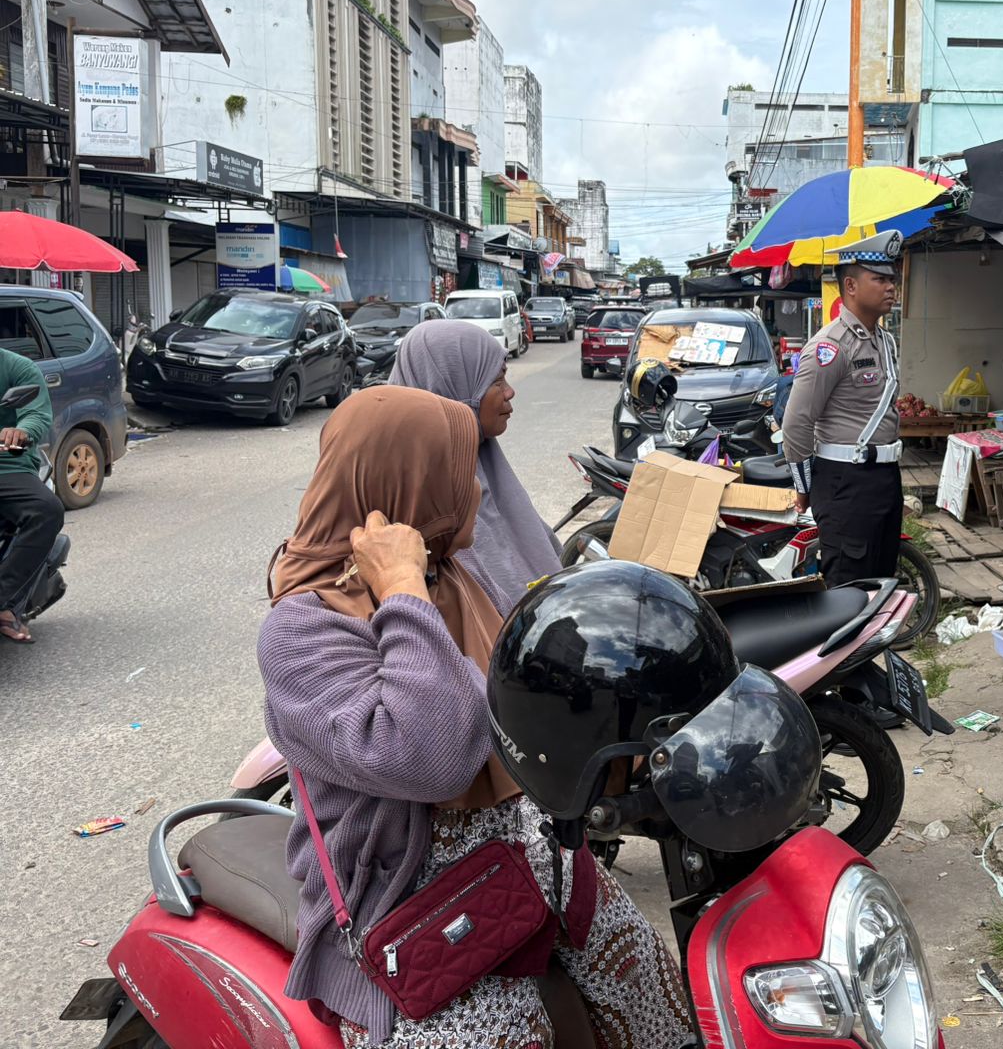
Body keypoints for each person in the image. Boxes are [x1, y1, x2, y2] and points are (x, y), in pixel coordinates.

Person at [257, 386, 695, 1048]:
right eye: (461, 472)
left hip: (528, 848)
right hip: (413, 903)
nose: (478, 491)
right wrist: (401, 590)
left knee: (656, 1003)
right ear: (408, 484)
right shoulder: (303, 630)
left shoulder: (452, 574)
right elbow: (434, 756)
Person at [389, 319, 562, 614]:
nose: (509, 392)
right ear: (454, 388)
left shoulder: (483, 460)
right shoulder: (416, 498)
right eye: (496, 381)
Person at [783, 229, 904, 586]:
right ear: (850, 286)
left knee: (880, 583)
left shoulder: (885, 342)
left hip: (885, 478)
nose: (891, 287)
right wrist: (804, 487)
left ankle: (872, 644)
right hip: (844, 482)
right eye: (879, 279)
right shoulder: (830, 347)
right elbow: (796, 423)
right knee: (848, 587)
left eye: (892, 280)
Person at [0, 346, 62, 643]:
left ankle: (4, 601)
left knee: (46, 509)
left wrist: (20, 431)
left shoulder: (17, 367)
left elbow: (36, 413)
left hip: (6, 465)